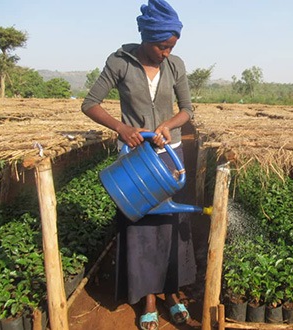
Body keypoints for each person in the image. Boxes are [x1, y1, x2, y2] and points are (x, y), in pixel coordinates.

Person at [81, 1, 197, 329]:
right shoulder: (120, 62)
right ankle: (148, 297)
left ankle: (172, 293)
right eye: (162, 46)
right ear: (146, 38)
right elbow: (90, 104)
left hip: (168, 155)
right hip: (135, 161)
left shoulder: (175, 66)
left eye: (171, 47)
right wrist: (123, 128)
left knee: (171, 225)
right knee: (141, 228)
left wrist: (167, 126)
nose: (166, 52)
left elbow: (188, 109)